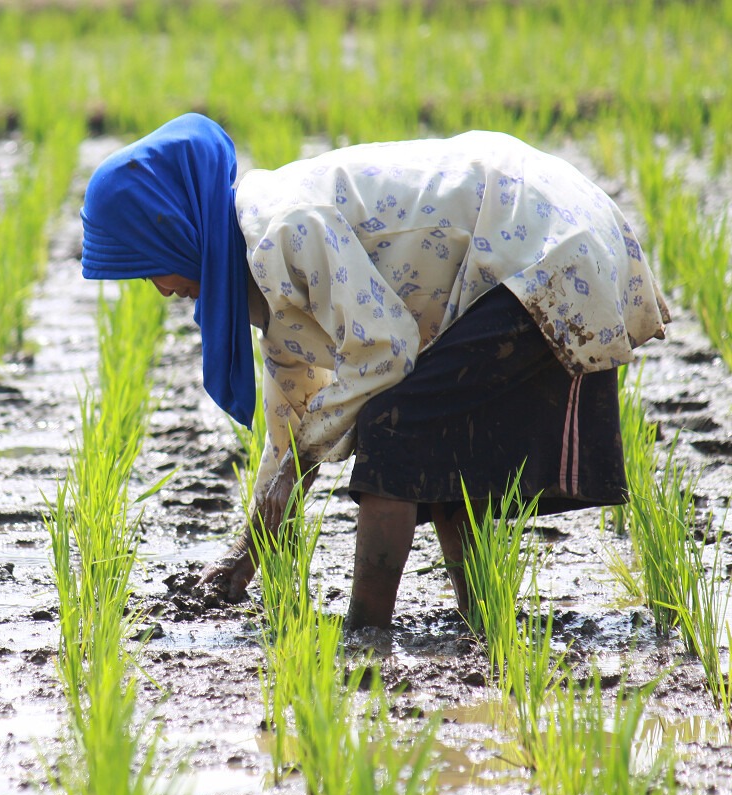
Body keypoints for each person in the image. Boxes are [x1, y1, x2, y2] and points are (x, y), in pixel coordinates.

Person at [79, 113, 670, 629]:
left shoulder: (282, 229)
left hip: (542, 241)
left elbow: (384, 352)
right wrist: (251, 546)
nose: (160, 291)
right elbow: (294, 419)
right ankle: (480, 611)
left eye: (148, 268)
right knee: (433, 430)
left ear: (177, 232)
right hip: (532, 238)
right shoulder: (259, 275)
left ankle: (368, 628)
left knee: (394, 423)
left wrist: (300, 468)